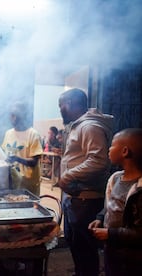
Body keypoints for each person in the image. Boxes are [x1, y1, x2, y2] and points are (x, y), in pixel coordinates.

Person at [56, 88, 114, 276]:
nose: (60, 109)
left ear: (71, 104)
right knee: (74, 242)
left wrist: (67, 176)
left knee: (85, 247)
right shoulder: (77, 126)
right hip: (74, 196)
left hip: (86, 199)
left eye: (61, 105)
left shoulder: (90, 127)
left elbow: (98, 161)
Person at [88, 128, 142, 276]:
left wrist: (110, 234)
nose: (109, 149)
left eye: (112, 145)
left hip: (132, 258)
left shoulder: (139, 189)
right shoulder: (115, 179)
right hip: (112, 251)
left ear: (125, 151)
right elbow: (110, 206)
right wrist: (100, 218)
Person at [1, 101, 43, 196]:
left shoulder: (33, 134)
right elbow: (4, 155)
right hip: (11, 182)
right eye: (11, 115)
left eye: (15, 115)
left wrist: (17, 158)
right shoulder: (8, 133)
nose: (12, 118)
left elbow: (34, 162)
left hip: (27, 185)